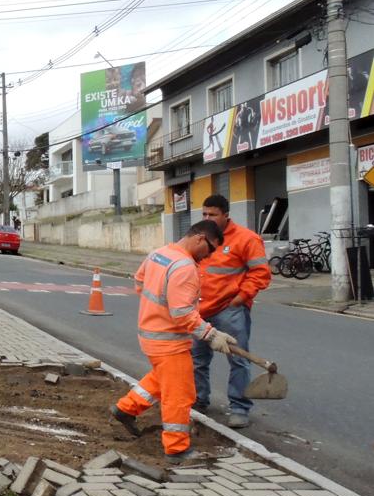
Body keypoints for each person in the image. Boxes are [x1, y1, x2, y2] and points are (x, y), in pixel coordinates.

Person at [109, 220, 237, 464]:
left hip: (150, 334)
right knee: (180, 394)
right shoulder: (185, 268)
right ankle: (177, 449)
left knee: (161, 379)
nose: (210, 255)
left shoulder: (159, 254)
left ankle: (125, 409)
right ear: (200, 238)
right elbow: (182, 313)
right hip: (169, 341)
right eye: (210, 249)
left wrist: (157, 309)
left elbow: (139, 283)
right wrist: (211, 335)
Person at [195, 194, 272, 429]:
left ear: (226, 215)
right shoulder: (200, 236)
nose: (207, 218)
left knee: (238, 359)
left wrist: (239, 299)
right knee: (197, 359)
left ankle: (239, 408)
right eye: (204, 214)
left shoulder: (246, 239)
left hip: (230, 310)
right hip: (200, 309)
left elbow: (261, 273)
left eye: (213, 215)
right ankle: (199, 401)